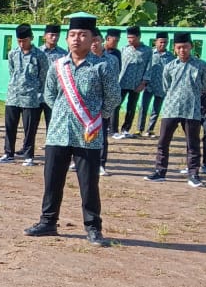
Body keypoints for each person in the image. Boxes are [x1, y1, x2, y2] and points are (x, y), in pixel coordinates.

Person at [24, 15, 120, 247]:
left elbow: (113, 98)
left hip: (88, 133)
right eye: (73, 35)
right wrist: (61, 113)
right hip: (58, 132)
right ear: (67, 39)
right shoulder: (58, 65)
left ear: (92, 39)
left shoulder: (102, 67)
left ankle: (93, 227)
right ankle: (48, 221)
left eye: (83, 35)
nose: (77, 39)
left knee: (88, 184)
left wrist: (98, 117)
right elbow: (49, 95)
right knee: (52, 180)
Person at [144, 32, 206, 187]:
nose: (182, 50)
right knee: (163, 142)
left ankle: (193, 174)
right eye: (179, 47)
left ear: (191, 47)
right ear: (174, 48)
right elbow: (166, 86)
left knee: (192, 143)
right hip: (171, 109)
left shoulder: (202, 66)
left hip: (192, 110)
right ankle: (160, 171)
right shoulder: (169, 67)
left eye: (185, 47)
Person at [0, 24, 44, 166]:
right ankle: (8, 153)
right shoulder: (13, 53)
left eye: (24, 40)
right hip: (13, 95)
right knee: (10, 126)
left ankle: (28, 156)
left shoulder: (39, 55)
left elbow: (43, 76)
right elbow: (12, 72)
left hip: (31, 98)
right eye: (19, 41)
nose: (22, 44)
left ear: (31, 38)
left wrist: (39, 95)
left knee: (29, 128)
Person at [90, 28, 119, 176]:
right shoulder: (85, 59)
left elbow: (114, 83)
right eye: (91, 40)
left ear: (102, 40)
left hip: (102, 105)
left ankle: (101, 163)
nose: (94, 43)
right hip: (85, 105)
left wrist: (107, 108)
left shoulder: (112, 60)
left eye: (96, 40)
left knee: (101, 135)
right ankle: (78, 161)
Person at [113, 25, 151, 138]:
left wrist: (143, 83)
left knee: (131, 107)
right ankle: (113, 129)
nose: (130, 40)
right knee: (116, 105)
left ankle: (126, 129)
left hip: (136, 84)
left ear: (139, 37)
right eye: (128, 37)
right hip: (122, 82)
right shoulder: (125, 49)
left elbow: (149, 67)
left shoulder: (147, 51)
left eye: (132, 37)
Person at [136, 33, 171, 137]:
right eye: (161, 42)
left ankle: (150, 130)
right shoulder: (149, 54)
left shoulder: (170, 57)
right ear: (155, 42)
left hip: (161, 87)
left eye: (165, 42)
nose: (163, 44)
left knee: (156, 109)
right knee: (143, 107)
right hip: (148, 86)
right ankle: (139, 129)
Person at [37, 23, 66, 128]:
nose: (54, 38)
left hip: (54, 95)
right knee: (31, 125)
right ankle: (29, 145)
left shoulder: (63, 54)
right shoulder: (37, 52)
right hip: (37, 94)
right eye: (52, 35)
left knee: (53, 124)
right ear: (45, 36)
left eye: (57, 35)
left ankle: (49, 145)